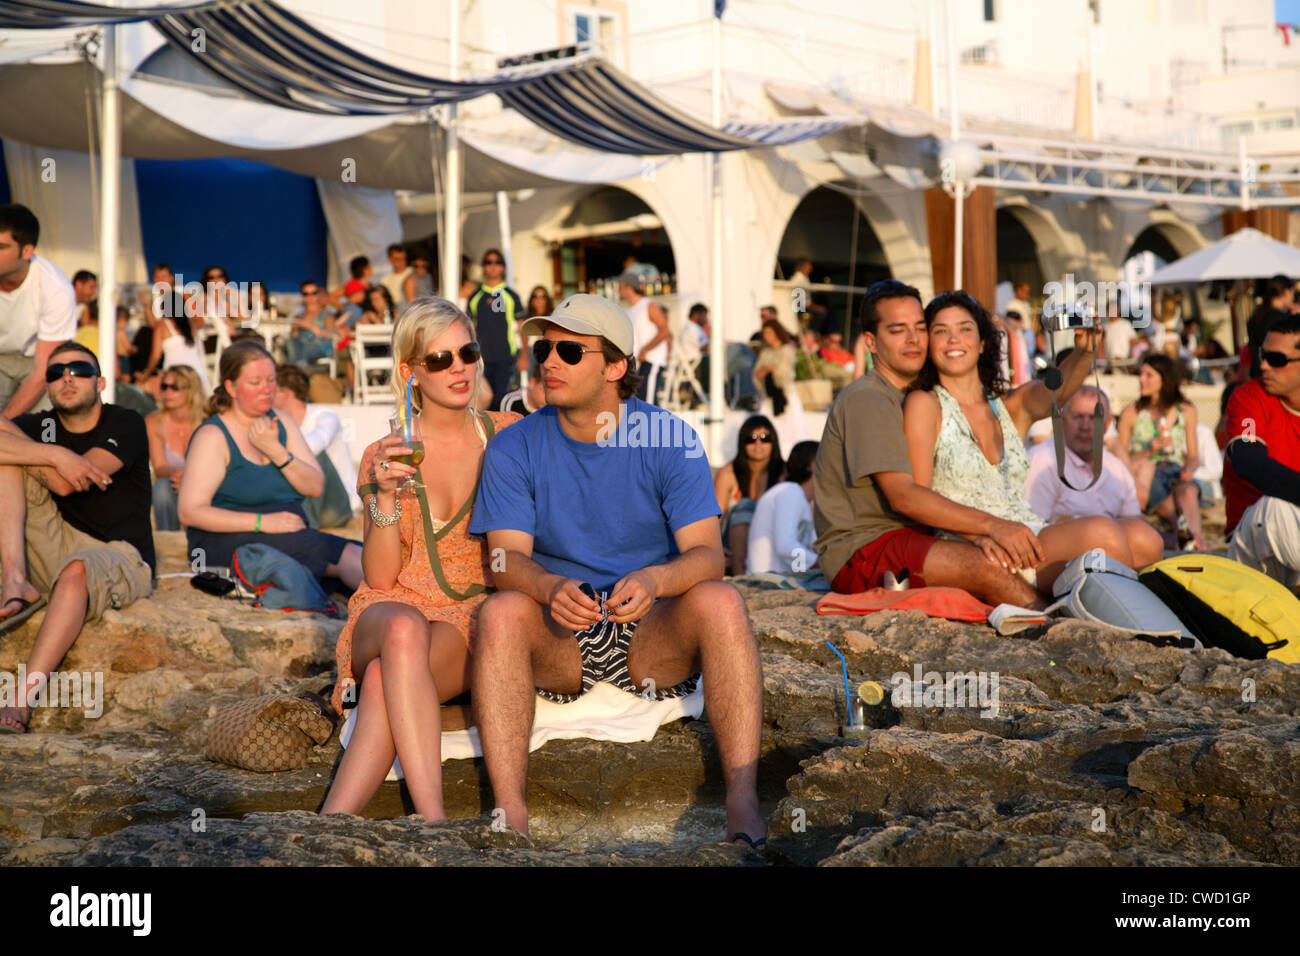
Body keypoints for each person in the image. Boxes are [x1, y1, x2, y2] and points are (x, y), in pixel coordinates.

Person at [467, 293, 765, 847]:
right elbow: (503, 560)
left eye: (569, 351)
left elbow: (708, 556)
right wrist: (548, 586)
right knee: (502, 611)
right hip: (560, 636)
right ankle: (511, 815)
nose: (549, 361)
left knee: (722, 603)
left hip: (651, 634)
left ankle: (742, 800)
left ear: (616, 366)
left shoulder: (669, 438)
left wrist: (656, 581)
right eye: (544, 349)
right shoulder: (515, 446)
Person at [320, 298, 520, 821]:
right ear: (410, 372)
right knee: (403, 631)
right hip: (388, 609)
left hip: (465, 614)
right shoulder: (384, 452)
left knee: (388, 682)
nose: (459, 368)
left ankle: (329, 825)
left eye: (468, 352)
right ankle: (434, 820)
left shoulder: (508, 435)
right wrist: (384, 499)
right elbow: (380, 576)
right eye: (440, 359)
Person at [816, 281, 1049, 608]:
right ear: (870, 341)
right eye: (897, 330)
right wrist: (992, 527)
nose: (913, 339)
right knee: (986, 567)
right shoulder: (868, 397)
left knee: (1007, 558)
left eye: (919, 328)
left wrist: (978, 534)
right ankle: (1050, 630)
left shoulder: (915, 395)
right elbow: (904, 496)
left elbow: (1052, 396)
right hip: (864, 549)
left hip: (912, 538)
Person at [902, 292, 1135, 596]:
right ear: (929, 345)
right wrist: (985, 529)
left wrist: (1084, 352)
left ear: (983, 342)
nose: (953, 339)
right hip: (974, 543)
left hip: (1027, 532)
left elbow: (1057, 392)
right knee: (1103, 534)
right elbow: (918, 496)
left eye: (965, 329)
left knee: (1145, 538)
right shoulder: (925, 403)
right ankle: (1134, 625)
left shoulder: (1009, 405)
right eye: (941, 331)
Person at [1, 341, 154, 732]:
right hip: (58, 540)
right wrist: (55, 455)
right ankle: (17, 578)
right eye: (55, 373)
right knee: (6, 463)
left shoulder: (127, 422)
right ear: (47, 386)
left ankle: (20, 701)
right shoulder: (41, 426)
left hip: (119, 553)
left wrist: (50, 459)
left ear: (100, 382)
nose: (67, 377)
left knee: (76, 571)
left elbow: (73, 484)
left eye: (79, 370)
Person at [178, 339, 362, 591]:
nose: (267, 389)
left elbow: (315, 486)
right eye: (255, 383)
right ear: (231, 387)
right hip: (226, 541)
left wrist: (276, 451)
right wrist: (262, 522)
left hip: (289, 535)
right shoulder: (213, 436)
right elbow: (190, 511)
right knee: (346, 555)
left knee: (360, 555)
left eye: (272, 380)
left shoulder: (282, 422)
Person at [1025, 386, 1164, 568]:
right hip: (1050, 560)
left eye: (1093, 418)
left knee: (1147, 538)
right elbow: (1030, 529)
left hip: (1108, 554)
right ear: (1060, 419)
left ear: (1107, 424)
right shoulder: (1042, 460)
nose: (1085, 426)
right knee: (1103, 534)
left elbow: (1134, 522)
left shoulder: (1116, 468)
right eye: (1077, 417)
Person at [1222, 313, 1300, 589]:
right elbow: (1249, 462)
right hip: (1253, 548)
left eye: (1276, 360)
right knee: (1275, 508)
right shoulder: (1249, 397)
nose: (1264, 366)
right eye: (1261, 355)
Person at [1117, 352, 1204, 551]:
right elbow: (1121, 460)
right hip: (1146, 472)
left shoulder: (1186, 410)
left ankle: (1193, 543)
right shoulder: (1131, 412)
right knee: (1168, 505)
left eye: (1148, 375)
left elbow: (1192, 455)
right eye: (1141, 374)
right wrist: (1149, 450)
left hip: (1175, 470)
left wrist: (1189, 469)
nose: (1141, 379)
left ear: (1164, 379)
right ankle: (1193, 545)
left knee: (1189, 492)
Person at [0, 204, 78, 417]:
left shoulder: (56, 287)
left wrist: (4, 425)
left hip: (37, 365)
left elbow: (42, 371)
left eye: (1, 247)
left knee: (40, 432)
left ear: (27, 251)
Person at [273, 364, 360, 528]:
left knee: (311, 457)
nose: (266, 394)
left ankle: (305, 530)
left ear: (285, 393)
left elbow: (313, 447)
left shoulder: (325, 416)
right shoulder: (275, 421)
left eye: (272, 389)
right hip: (305, 499)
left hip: (339, 504)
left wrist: (271, 449)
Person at [714, 415, 784, 577]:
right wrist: (714, 550)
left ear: (774, 441)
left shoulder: (783, 473)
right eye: (751, 439)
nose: (758, 444)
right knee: (745, 506)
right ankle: (742, 578)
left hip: (770, 541)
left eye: (765, 438)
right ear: (742, 442)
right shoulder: (728, 473)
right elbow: (715, 519)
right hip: (731, 546)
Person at [145, 365, 204, 531]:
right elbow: (160, 468)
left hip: (205, 483)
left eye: (175, 387)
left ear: (191, 390)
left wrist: (190, 478)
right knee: (162, 487)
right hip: (174, 482)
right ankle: (168, 541)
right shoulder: (154, 422)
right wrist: (181, 477)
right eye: (164, 387)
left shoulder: (208, 421)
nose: (167, 392)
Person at [747, 440, 819, 576]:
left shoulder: (800, 498)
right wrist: (819, 563)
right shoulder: (790, 492)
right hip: (768, 579)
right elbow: (785, 546)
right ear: (813, 465)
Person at [466, 249, 525, 409]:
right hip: (480, 359)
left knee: (502, 402)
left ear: (503, 267)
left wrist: (524, 355)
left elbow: (523, 326)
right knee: (481, 403)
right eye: (488, 262)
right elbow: (467, 329)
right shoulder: (475, 297)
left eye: (497, 262)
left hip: (505, 358)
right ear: (483, 267)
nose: (493, 266)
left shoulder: (511, 295)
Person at [619, 269, 670, 404]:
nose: (618, 290)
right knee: (640, 401)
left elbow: (664, 331)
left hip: (652, 359)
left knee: (648, 403)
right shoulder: (629, 310)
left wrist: (645, 350)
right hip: (638, 363)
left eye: (620, 286)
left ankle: (652, 425)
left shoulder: (648, 305)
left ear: (628, 286)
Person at [1243, 275, 1293, 379]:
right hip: (1277, 374)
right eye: (1293, 293)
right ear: (1287, 292)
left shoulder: (1256, 316)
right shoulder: (1284, 320)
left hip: (1257, 373)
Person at [289, 280, 338, 369]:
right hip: (302, 347)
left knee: (299, 351)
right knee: (290, 345)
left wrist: (312, 328)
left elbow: (330, 335)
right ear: (302, 295)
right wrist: (296, 329)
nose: (310, 297)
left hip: (320, 346)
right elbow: (294, 336)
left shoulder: (326, 315)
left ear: (318, 295)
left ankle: (299, 373)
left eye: (314, 293)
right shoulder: (298, 316)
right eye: (306, 294)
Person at [379, 244, 410, 312]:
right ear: (389, 260)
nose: (401, 262)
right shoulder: (385, 279)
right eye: (397, 259)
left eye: (403, 258)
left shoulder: (412, 273)